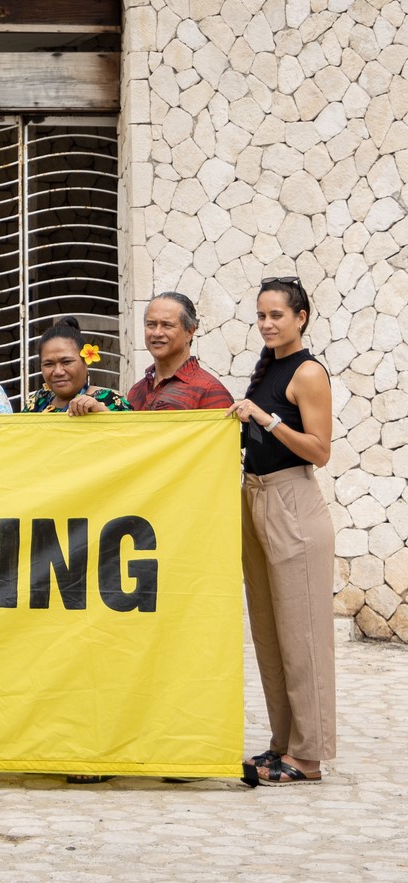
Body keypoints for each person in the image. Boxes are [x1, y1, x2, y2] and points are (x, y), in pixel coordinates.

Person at [233, 277, 336, 786]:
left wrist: (268, 422)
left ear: (301, 317)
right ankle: (283, 746)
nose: (268, 324)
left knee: (304, 637)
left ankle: (309, 758)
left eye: (277, 315)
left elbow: (319, 450)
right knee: (271, 636)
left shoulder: (309, 372)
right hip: (256, 497)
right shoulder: (269, 367)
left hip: (294, 501)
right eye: (261, 316)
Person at [123, 292, 233, 410]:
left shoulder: (209, 392)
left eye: (167, 325)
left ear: (189, 332)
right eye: (151, 325)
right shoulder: (136, 391)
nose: (157, 333)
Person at [24, 317, 132, 413]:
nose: (58, 371)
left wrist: (101, 412)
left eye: (66, 362)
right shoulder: (37, 402)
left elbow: (131, 433)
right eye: (49, 364)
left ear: (85, 363)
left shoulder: (110, 400)